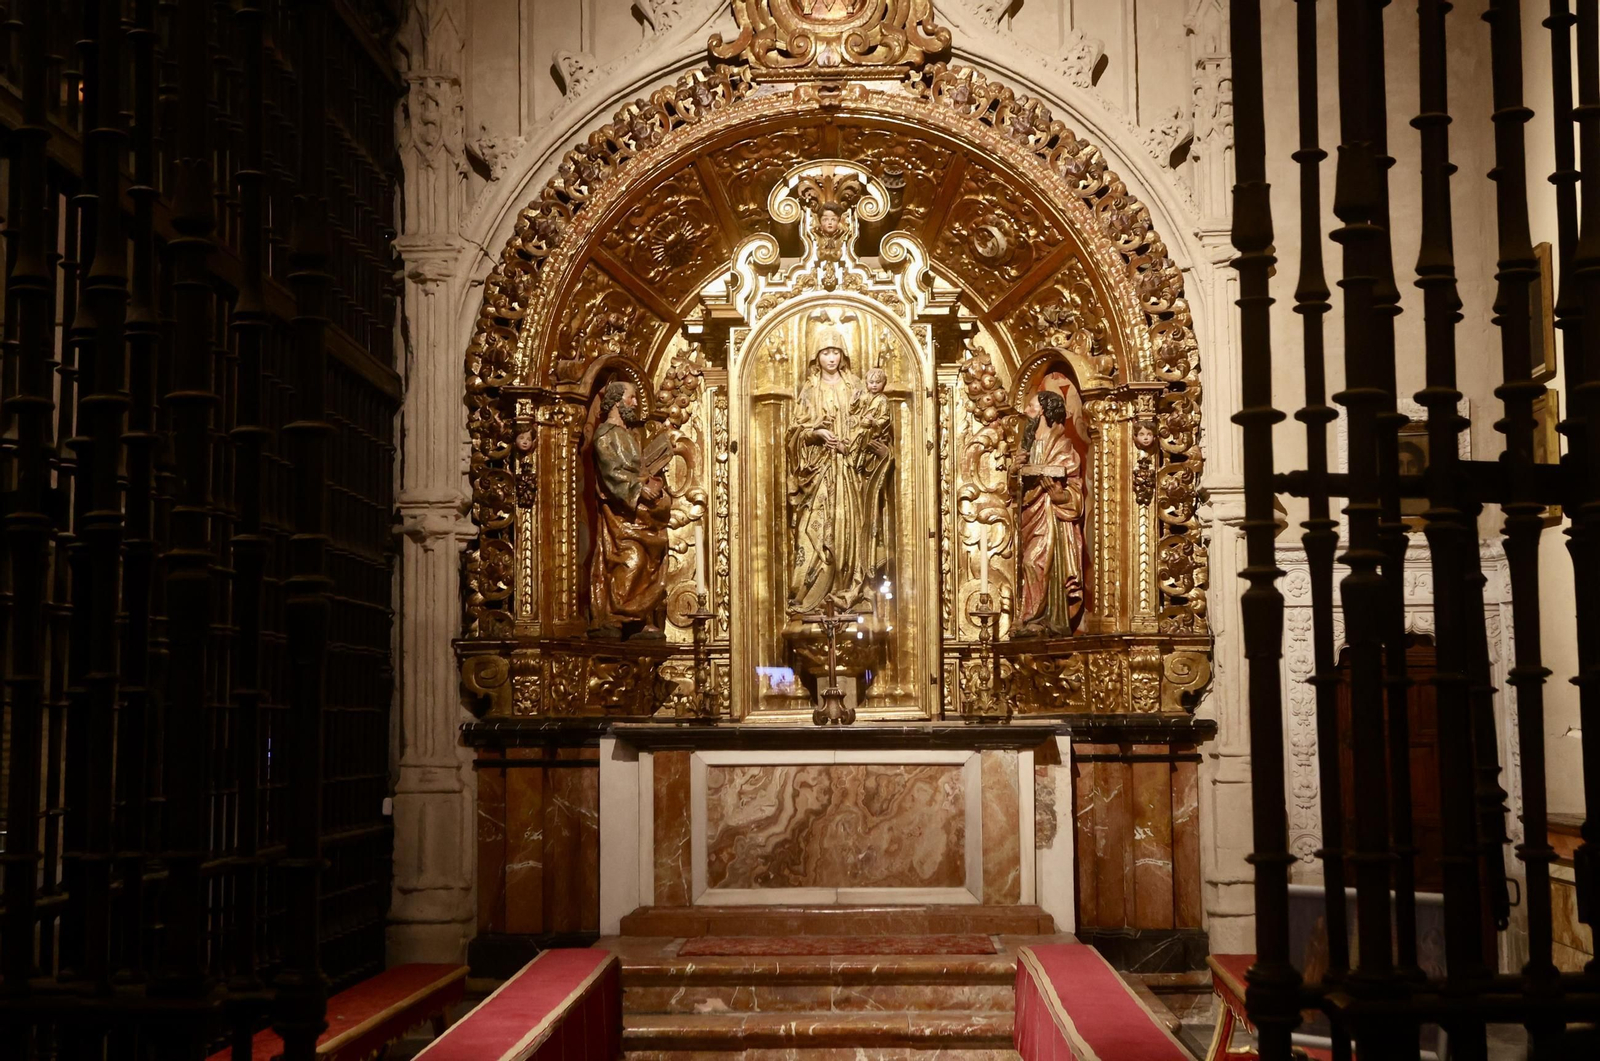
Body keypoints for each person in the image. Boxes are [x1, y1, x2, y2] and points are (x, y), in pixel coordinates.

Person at [787, 345, 869, 614]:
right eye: (825, 353)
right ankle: (811, 592)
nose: (831, 358)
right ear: (816, 357)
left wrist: (852, 444)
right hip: (819, 469)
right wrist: (817, 433)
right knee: (813, 527)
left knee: (848, 526)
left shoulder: (855, 386)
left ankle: (846, 588)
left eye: (835, 352)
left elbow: (870, 421)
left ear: (843, 355)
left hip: (849, 468)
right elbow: (794, 431)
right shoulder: (810, 389)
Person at [589, 380, 670, 638]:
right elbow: (611, 473)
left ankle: (637, 616)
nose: (634, 404)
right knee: (631, 559)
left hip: (642, 512)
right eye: (631, 398)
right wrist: (639, 489)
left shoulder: (631, 435)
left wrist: (653, 482)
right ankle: (615, 615)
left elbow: (639, 469)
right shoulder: (604, 435)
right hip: (621, 514)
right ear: (615, 401)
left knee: (649, 562)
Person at [1015, 386, 1089, 636]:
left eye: (1032, 407)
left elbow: (1075, 490)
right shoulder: (1026, 446)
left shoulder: (1064, 446)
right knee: (1027, 563)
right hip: (1029, 514)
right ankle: (1030, 617)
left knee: (1037, 561)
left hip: (1052, 518)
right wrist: (1015, 471)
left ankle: (1043, 618)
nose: (1027, 411)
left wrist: (1062, 496)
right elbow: (1013, 490)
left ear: (1045, 413)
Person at [851, 366, 894, 588]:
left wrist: (873, 423)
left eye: (878, 382)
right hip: (861, 442)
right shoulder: (866, 396)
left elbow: (884, 420)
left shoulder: (883, 401)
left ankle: (868, 577)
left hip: (874, 445)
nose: (874, 385)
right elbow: (855, 411)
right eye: (871, 381)